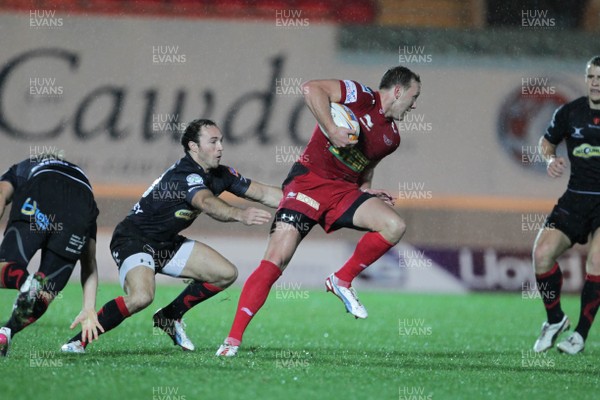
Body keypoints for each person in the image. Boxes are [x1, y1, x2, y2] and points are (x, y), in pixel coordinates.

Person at [217, 66, 421, 356]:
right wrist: (332, 129)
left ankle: (341, 280)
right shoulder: (361, 96)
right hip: (308, 184)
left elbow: (367, 165)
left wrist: (365, 191)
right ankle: (232, 340)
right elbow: (312, 88)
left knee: (394, 225)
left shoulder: (392, 138)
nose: (415, 105)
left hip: (344, 193)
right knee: (276, 259)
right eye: (414, 96)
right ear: (398, 91)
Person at [61, 119, 281, 353]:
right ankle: (78, 341)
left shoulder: (221, 174)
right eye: (213, 142)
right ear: (193, 147)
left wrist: (303, 201)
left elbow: (264, 193)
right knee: (141, 297)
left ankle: (170, 316)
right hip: (134, 239)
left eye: (221, 141)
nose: (220, 147)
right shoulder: (184, 175)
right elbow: (206, 202)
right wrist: (240, 214)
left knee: (225, 274)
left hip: (166, 244)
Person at [0, 154, 103, 356]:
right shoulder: (80, 182)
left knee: (6, 266)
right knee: (44, 293)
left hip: (43, 187)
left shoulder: (18, 170)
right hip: (81, 203)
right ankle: (6, 331)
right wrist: (89, 307)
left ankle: (24, 282)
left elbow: (1, 193)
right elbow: (89, 261)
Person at [532, 55, 600, 355]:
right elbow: (546, 144)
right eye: (591, 77)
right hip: (575, 198)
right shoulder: (570, 112)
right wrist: (550, 159)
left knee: (597, 264)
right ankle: (555, 320)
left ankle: (581, 336)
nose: (595, 83)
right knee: (542, 254)